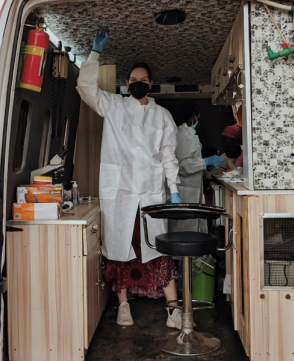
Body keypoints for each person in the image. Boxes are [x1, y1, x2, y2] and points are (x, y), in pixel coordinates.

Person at [77, 29, 184, 328]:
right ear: (127, 84)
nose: (138, 83)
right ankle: (123, 306)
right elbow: (85, 87)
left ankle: (173, 310)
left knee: (158, 249)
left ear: (151, 84)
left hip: (150, 193)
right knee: (120, 249)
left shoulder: (162, 116)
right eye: (133, 80)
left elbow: (168, 156)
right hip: (121, 193)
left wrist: (173, 189)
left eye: (143, 80)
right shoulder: (113, 106)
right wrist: (94, 53)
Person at [169, 104, 225, 233]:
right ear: (193, 117)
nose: (197, 121)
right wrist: (205, 162)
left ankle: (192, 253)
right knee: (185, 229)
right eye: (197, 118)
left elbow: (192, 160)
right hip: (185, 190)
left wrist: (206, 165)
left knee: (194, 226)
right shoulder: (183, 135)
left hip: (192, 189)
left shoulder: (189, 134)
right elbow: (182, 166)